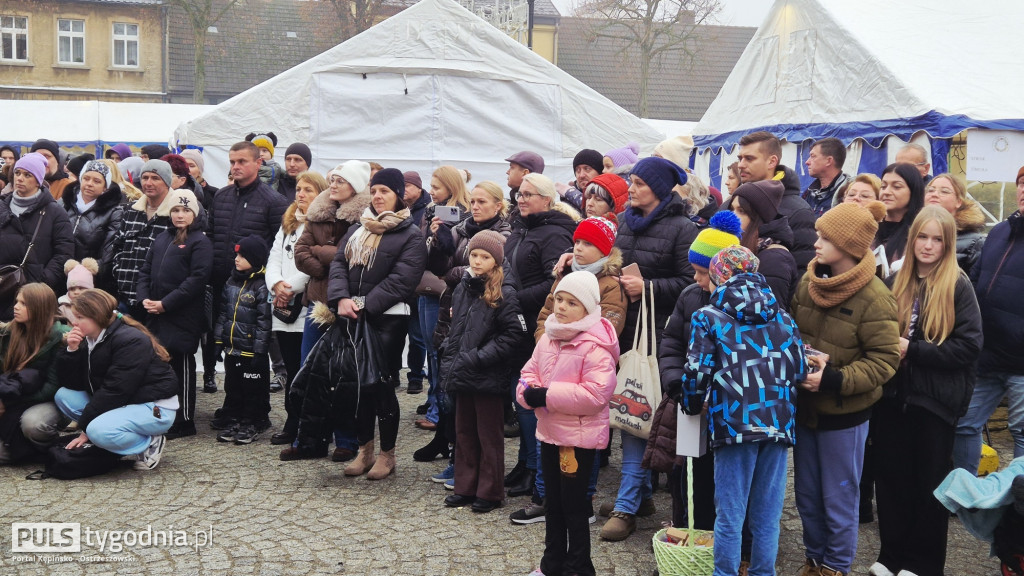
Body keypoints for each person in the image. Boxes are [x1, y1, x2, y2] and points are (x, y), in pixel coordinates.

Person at [790, 201, 901, 576]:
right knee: (806, 495)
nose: (816, 243)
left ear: (851, 247)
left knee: (838, 496)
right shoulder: (808, 282)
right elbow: (792, 333)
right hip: (805, 408)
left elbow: (885, 361)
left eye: (825, 237)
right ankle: (814, 559)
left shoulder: (875, 296)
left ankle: (836, 567)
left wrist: (834, 378)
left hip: (845, 415)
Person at [871, 206, 982, 576]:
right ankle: (891, 556)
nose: (929, 246)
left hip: (934, 402)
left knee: (929, 485)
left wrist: (913, 350)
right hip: (891, 399)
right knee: (890, 480)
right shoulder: (895, 279)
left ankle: (923, 563)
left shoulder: (958, 284)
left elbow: (968, 347)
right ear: (913, 236)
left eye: (937, 239)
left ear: (948, 244)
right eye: (923, 236)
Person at [681, 245, 804, 576]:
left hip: (734, 423)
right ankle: (764, 572)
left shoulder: (708, 317)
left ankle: (725, 573)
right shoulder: (783, 317)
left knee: (730, 513)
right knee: (767, 514)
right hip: (778, 422)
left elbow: (697, 372)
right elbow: (800, 369)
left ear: (720, 274)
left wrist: (691, 406)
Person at [600, 156, 697, 542]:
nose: (632, 188)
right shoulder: (625, 222)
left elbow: (693, 282)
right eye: (633, 181)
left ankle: (626, 507)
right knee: (631, 415)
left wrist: (650, 288)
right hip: (627, 332)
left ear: (658, 189)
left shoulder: (681, 227)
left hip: (660, 337)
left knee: (637, 417)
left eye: (639, 182)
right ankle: (639, 496)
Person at [511, 216, 628, 524]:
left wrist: (567, 344)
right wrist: (548, 347)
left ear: (604, 250)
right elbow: (545, 316)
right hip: (552, 367)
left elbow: (608, 328)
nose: (578, 248)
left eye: (587, 243)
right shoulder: (564, 275)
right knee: (547, 438)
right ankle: (544, 497)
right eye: (577, 241)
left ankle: (582, 501)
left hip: (581, 373)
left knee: (579, 447)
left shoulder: (609, 284)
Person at [518, 271, 620, 576]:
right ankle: (552, 564)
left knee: (574, 508)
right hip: (549, 434)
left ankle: (578, 567)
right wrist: (528, 394)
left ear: (587, 309)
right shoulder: (548, 337)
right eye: (559, 299)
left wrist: (546, 396)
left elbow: (596, 394)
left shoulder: (595, 346)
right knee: (553, 503)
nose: (561, 307)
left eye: (571, 302)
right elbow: (528, 375)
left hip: (577, 440)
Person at [327, 167, 426, 480]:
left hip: (388, 319)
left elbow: (402, 281)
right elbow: (339, 263)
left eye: (385, 191)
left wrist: (358, 304)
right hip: (352, 316)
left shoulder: (410, 234)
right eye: (374, 190)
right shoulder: (359, 227)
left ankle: (387, 454)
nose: (378, 196)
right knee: (357, 387)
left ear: (398, 195)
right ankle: (364, 449)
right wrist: (341, 299)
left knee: (380, 385)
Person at [658, 211, 743, 533]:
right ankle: (687, 536)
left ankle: (722, 544)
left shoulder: (740, 307)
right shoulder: (690, 296)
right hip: (691, 405)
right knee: (686, 476)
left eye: (702, 273)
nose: (696, 279)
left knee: (722, 482)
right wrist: (675, 383)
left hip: (727, 411)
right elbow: (671, 342)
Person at [416, 180, 511, 466]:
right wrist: (439, 241)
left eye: (483, 202)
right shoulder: (460, 227)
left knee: (467, 385)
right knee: (443, 371)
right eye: (474, 201)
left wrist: (457, 269)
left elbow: (485, 270)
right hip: (452, 310)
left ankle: (463, 456)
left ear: (498, 205)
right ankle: (445, 438)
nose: (476, 206)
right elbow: (437, 268)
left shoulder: (503, 231)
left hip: (482, 315)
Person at [504, 172, 580, 498]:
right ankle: (525, 462)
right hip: (514, 319)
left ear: (547, 200)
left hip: (533, 323)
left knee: (528, 400)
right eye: (519, 193)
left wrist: (512, 299)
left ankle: (536, 470)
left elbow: (555, 284)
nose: (521, 199)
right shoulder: (522, 228)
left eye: (528, 194)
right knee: (517, 395)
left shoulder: (553, 234)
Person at [441, 230, 527, 512]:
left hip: (487, 374)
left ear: (496, 261)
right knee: (463, 431)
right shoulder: (464, 287)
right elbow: (455, 327)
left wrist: (478, 357)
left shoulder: (505, 292)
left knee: (488, 435)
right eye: (474, 255)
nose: (477, 261)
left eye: (485, 257)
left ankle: (490, 491)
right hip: (463, 371)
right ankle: (466, 486)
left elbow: (513, 335)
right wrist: (449, 351)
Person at [293, 161, 372, 462]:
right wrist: (325, 264)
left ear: (354, 185)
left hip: (347, 305)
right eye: (332, 180)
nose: (334, 185)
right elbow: (301, 254)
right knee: (309, 371)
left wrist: (324, 255)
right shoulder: (317, 214)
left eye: (341, 180)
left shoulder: (363, 219)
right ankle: (309, 438)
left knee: (344, 375)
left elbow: (349, 257)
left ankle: (347, 440)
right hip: (318, 304)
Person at [54, 289, 178, 471]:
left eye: (80, 317)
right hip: (124, 400)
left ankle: (150, 441)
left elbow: (116, 390)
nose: (74, 322)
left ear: (96, 316)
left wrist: (86, 430)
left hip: (155, 407)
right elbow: (74, 384)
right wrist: (71, 351)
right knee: (63, 396)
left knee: (97, 431)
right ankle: (111, 433)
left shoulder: (130, 340)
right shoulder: (88, 338)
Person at [953, 165, 1024, 474]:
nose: (1023, 190)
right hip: (987, 353)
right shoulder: (999, 231)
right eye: (1021, 183)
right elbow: (977, 280)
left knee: (1022, 433)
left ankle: (1018, 509)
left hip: (1022, 361)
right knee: (965, 424)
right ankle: (965, 494)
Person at [137, 189, 213, 440]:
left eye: (186, 210)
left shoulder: (200, 241)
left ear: (195, 213)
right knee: (160, 365)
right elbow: (146, 270)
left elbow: (196, 280)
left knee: (181, 364)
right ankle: (164, 415)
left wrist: (166, 304)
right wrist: (144, 298)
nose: (180, 215)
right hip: (156, 314)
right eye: (176, 210)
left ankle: (185, 420)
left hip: (182, 315)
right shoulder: (161, 238)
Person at [266, 171, 321, 447]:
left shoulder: (321, 223)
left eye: (308, 190)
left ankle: (309, 421)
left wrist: (290, 288)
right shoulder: (288, 222)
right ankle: (292, 418)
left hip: (304, 304)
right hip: (282, 305)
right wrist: (276, 284)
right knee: (289, 366)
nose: (300, 194)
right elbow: (275, 256)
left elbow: (315, 264)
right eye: (298, 189)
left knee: (305, 368)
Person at [417, 165, 472, 430]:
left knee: (442, 351)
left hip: (447, 291)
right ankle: (434, 403)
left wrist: (440, 235)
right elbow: (421, 250)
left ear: (451, 188)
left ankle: (441, 411)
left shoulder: (468, 218)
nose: (431, 191)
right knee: (432, 350)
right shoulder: (429, 213)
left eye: (436, 187)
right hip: (426, 288)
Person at [0, 284, 70, 464]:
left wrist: (7, 402)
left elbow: (51, 388)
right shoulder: (9, 332)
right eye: (17, 301)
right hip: (12, 393)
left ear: (39, 307)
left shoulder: (61, 337)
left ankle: (52, 447)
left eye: (23, 303)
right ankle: (23, 448)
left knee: (33, 425)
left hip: (49, 401)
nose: (15, 306)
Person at [212, 236, 272, 444]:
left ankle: (254, 421)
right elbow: (223, 314)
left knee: (253, 389)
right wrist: (218, 341)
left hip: (251, 351)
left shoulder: (262, 286)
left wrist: (260, 351)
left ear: (254, 259)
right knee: (233, 386)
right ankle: (236, 418)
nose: (236, 259)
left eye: (242, 255)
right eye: (236, 254)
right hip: (232, 348)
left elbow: (265, 322)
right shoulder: (231, 281)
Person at [0, 153, 75, 320]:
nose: (20, 178)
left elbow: (64, 253)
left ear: (39, 180)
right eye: (17, 173)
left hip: (34, 296)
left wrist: (42, 282)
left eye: (28, 175)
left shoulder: (55, 212)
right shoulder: (2, 206)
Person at [735, 131, 816, 272]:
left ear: (772, 161)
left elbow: (802, 272)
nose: (741, 165)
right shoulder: (733, 203)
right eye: (740, 158)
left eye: (749, 158)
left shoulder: (798, 211)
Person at [110, 159, 176, 318]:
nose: (148, 182)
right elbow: (118, 245)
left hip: (157, 298)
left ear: (166, 181)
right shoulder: (131, 210)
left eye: (155, 178)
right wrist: (118, 269)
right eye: (145, 177)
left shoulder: (176, 213)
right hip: (126, 292)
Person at [725, 180, 800, 309]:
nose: (732, 217)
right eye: (732, 209)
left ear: (759, 216)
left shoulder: (775, 259)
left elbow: (769, 315)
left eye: (741, 211)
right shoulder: (744, 247)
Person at [61, 159, 125, 291]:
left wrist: (92, 268)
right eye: (86, 178)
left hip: (91, 279)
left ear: (105, 187)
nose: (90, 184)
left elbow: (110, 249)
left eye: (97, 181)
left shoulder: (114, 211)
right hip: (61, 273)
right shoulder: (63, 204)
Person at [924, 173, 987, 276]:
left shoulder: (975, 242)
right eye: (930, 190)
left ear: (958, 202)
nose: (934, 194)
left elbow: (974, 285)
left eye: (944, 191)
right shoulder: (913, 232)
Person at [402, 170, 430, 396]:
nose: (403, 190)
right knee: (394, 333)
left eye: (407, 186)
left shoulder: (427, 211)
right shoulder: (399, 209)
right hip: (399, 282)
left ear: (418, 189)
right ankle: (393, 373)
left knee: (417, 335)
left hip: (418, 283)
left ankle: (415, 376)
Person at [875, 162, 925, 272]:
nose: (886, 192)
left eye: (896, 187)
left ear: (913, 191)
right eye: (883, 186)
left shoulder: (921, 233)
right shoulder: (869, 228)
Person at [802, 137, 851, 218]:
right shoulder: (808, 193)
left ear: (828, 161)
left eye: (813, 156)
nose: (807, 162)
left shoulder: (848, 196)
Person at [505, 151, 545, 225]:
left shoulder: (529, 209)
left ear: (525, 173)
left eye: (512, 167)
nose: (507, 172)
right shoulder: (512, 204)